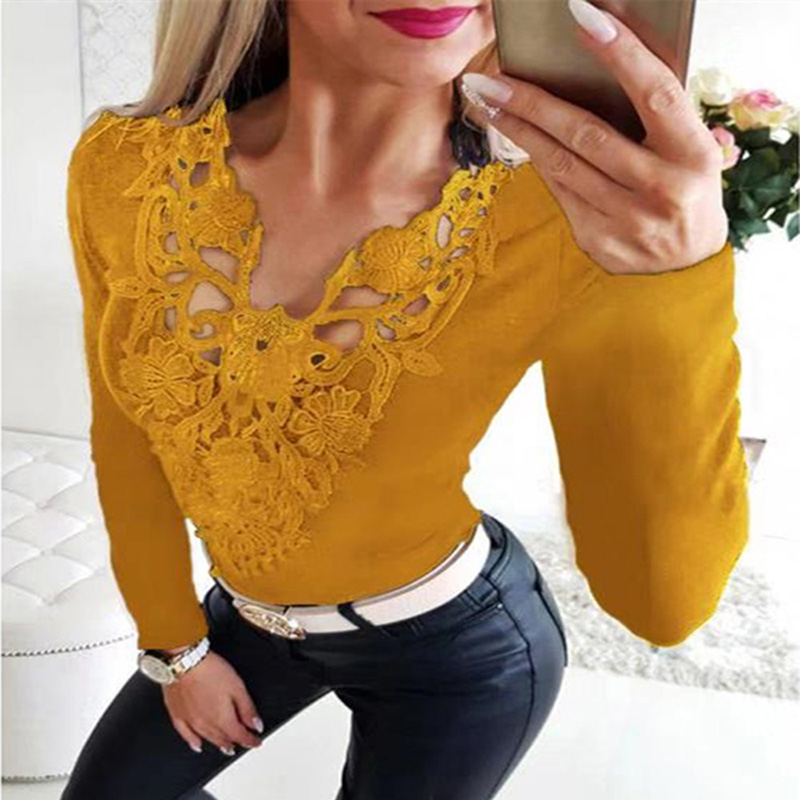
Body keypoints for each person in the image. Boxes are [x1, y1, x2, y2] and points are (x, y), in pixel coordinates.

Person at [60, 0, 749, 798]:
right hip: (248, 618)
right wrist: (176, 648)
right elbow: (124, 433)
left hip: (459, 653)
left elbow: (662, 605)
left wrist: (677, 280)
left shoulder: (563, 217)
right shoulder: (124, 168)